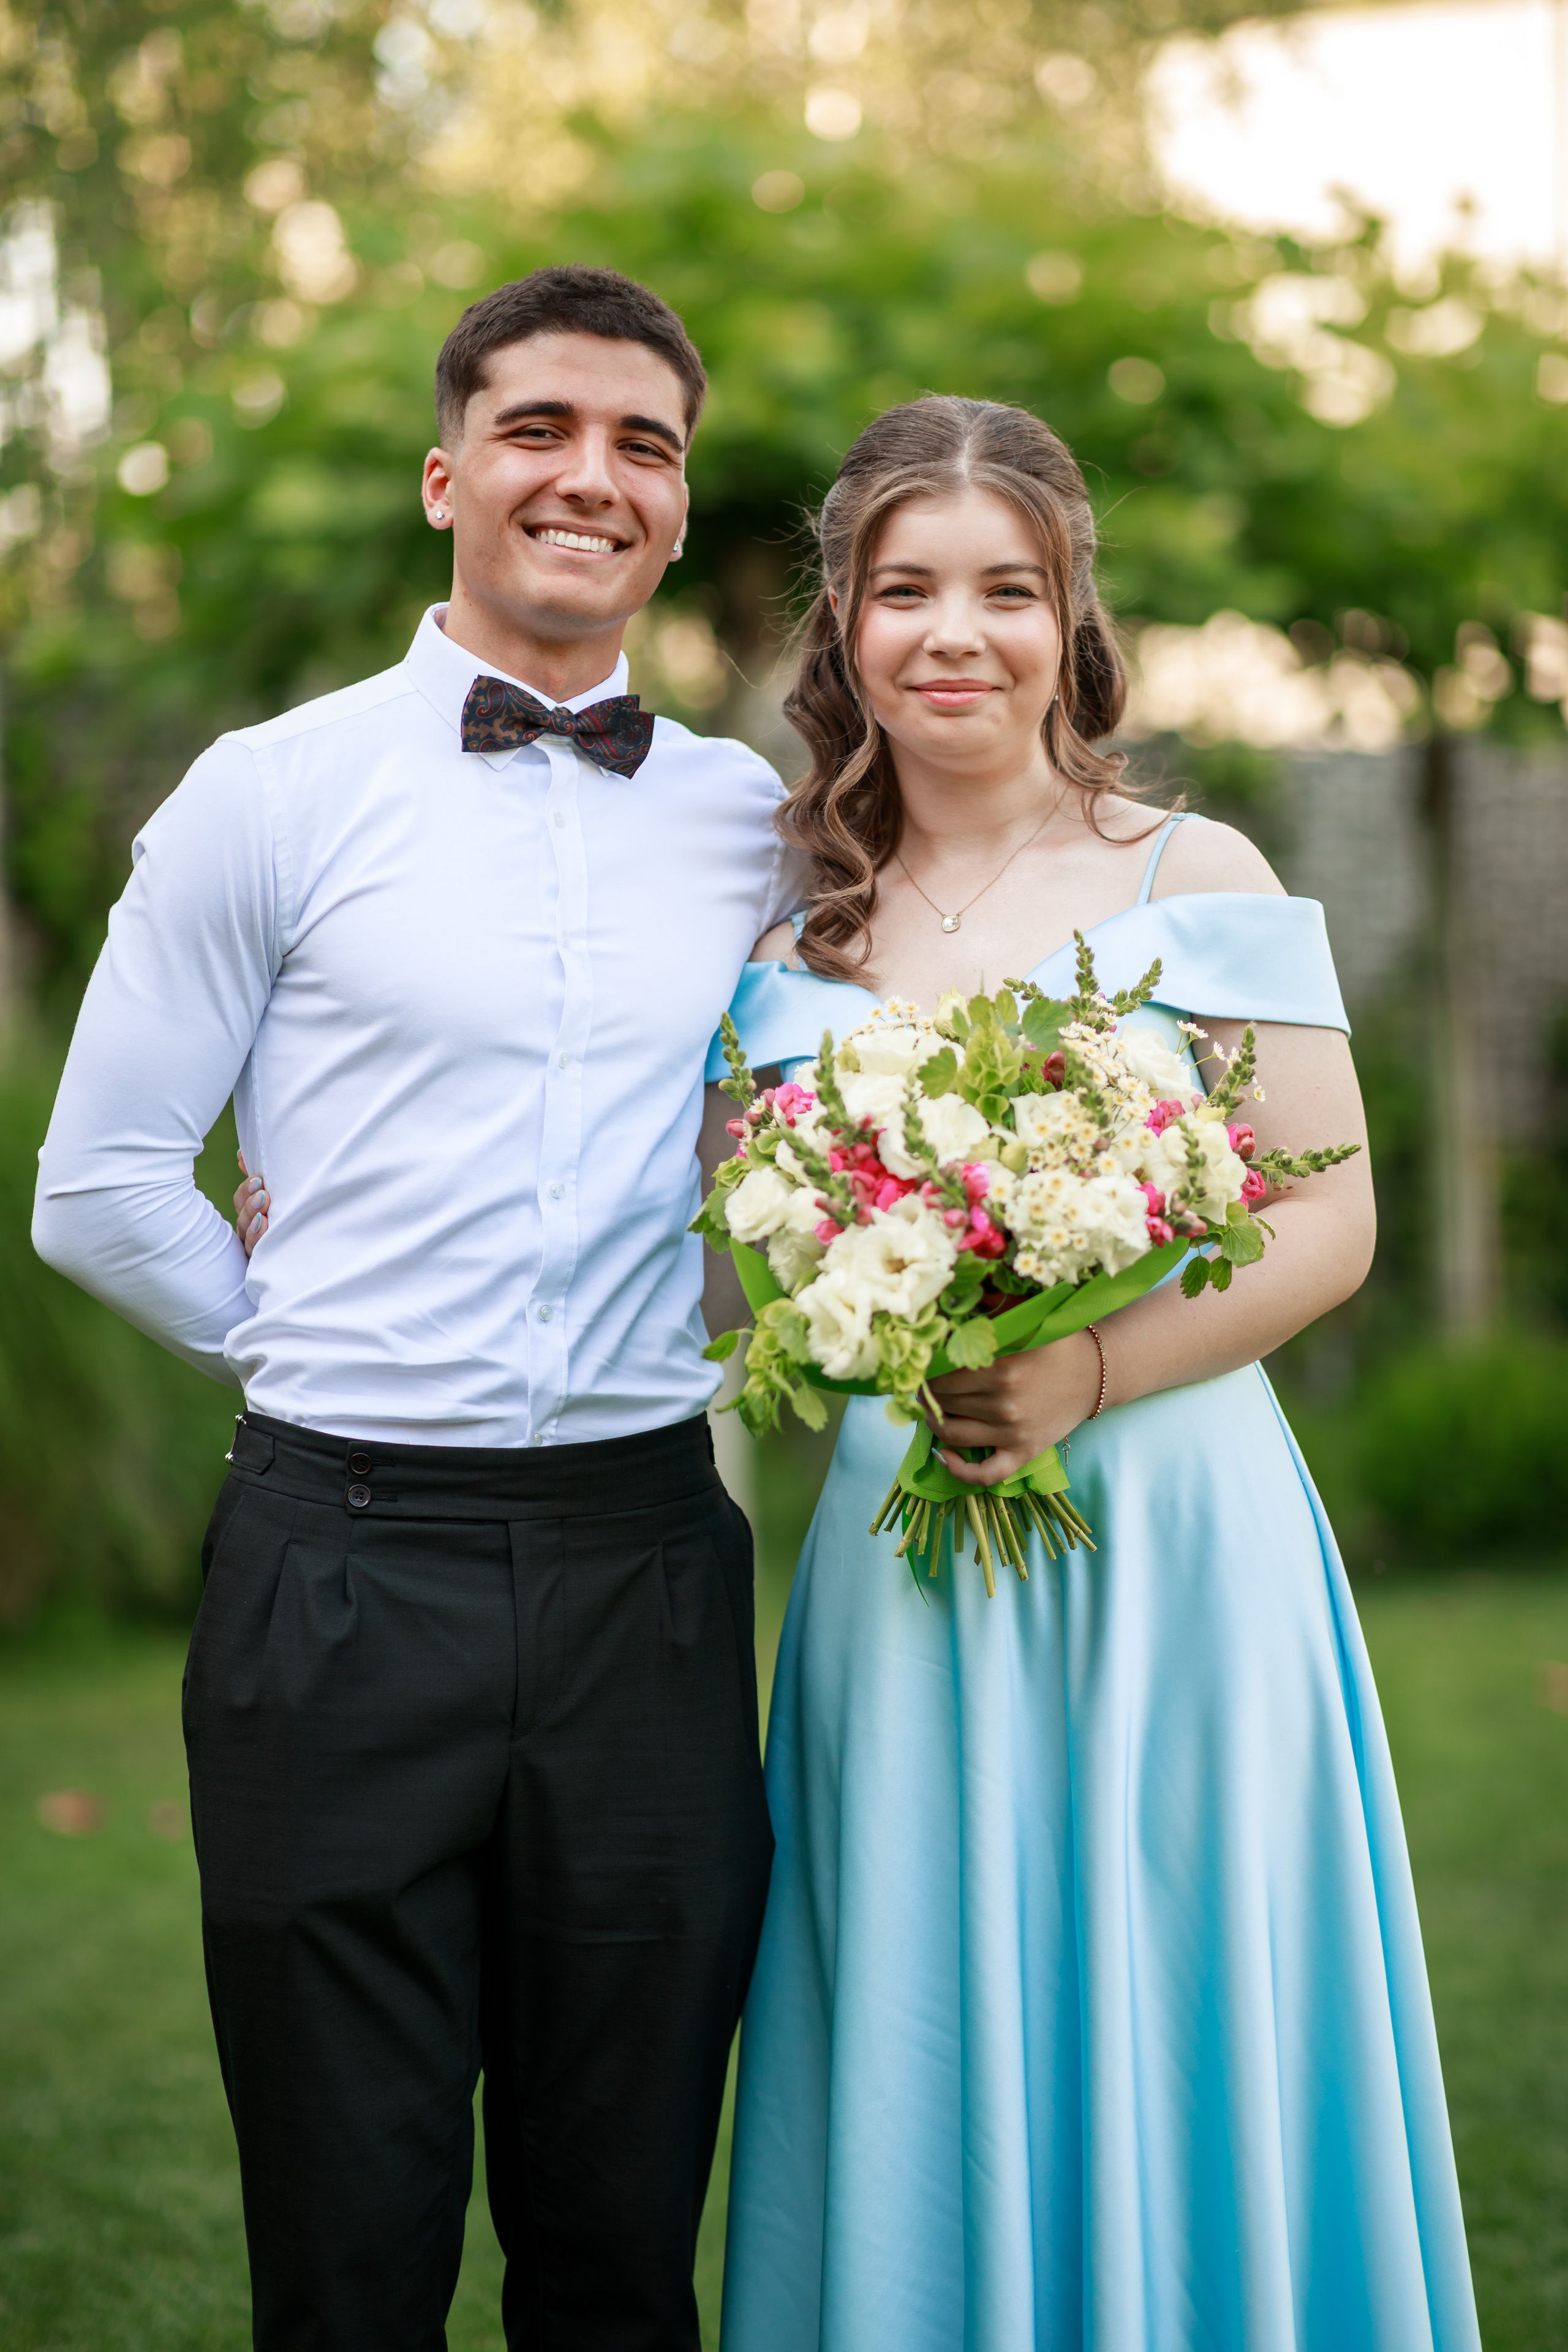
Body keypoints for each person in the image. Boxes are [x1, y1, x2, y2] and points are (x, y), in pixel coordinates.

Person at [32, 265, 801, 2352]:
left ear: (674, 501)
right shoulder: (270, 791)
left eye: (644, 443)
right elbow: (99, 1191)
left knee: (625, 2243)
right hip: (340, 1572)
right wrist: (325, 1340)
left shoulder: (756, 825)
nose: (594, 475)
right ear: (449, 470)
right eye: (544, 427)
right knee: (350, 2254)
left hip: (651, 1572)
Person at [710, 397, 1482, 2350]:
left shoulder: (1188, 865)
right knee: (924, 1992)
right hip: (905, 1559)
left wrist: (1088, 1376)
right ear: (844, 627)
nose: (952, 633)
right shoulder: (790, 926)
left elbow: (1329, 1223)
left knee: (1183, 1966)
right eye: (905, 590)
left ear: (1073, 620)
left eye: (1004, 590)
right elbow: (742, 1256)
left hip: (1178, 1539)